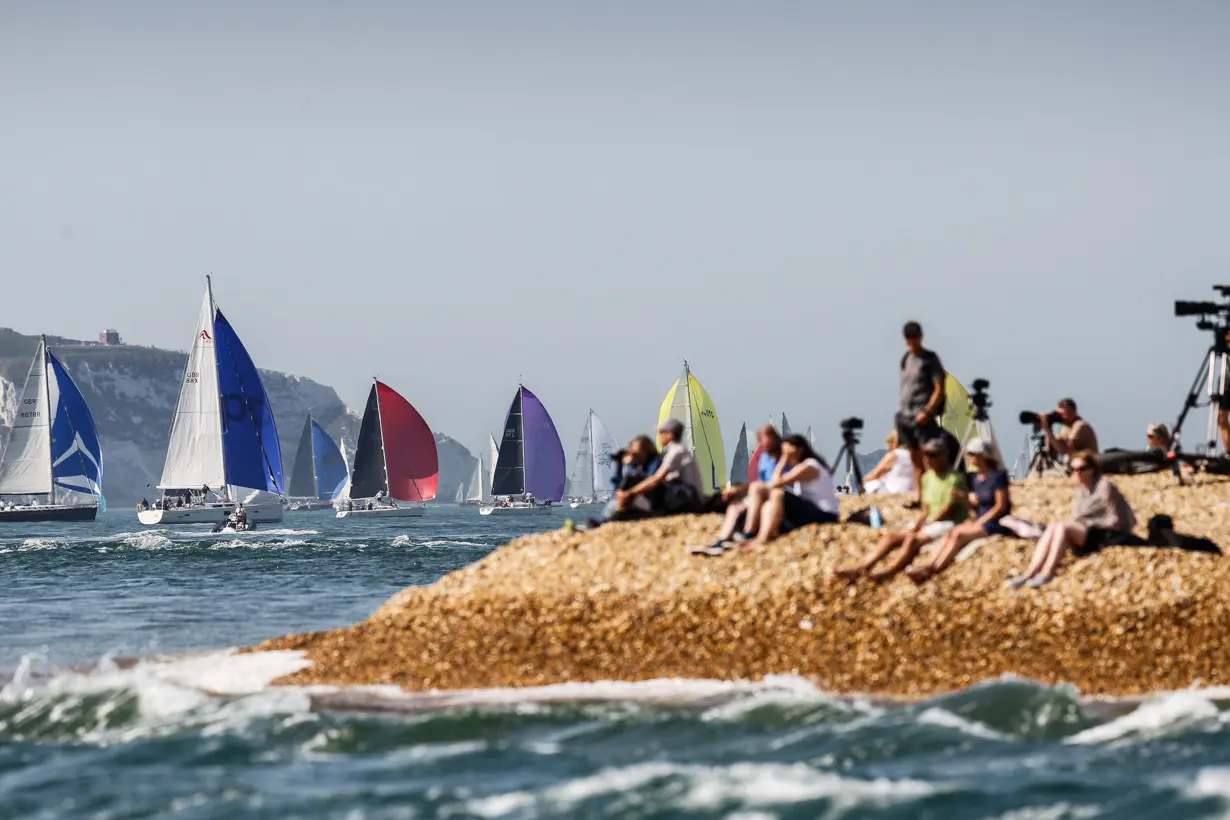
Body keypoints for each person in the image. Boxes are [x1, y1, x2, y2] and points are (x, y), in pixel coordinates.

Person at [837, 439, 967, 581]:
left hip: (948, 522)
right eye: (926, 455)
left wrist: (925, 525)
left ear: (944, 456)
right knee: (892, 536)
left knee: (912, 539)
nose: (928, 459)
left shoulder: (955, 479)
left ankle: (889, 571)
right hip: (930, 521)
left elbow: (948, 510)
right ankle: (863, 565)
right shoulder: (927, 478)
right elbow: (925, 509)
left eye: (933, 455)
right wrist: (917, 525)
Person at [1008, 451, 1136, 588]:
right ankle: (1030, 573)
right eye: (1073, 469)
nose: (1077, 473)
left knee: (1063, 527)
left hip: (1107, 534)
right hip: (1091, 532)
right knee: (1054, 525)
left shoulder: (1105, 487)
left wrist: (1090, 524)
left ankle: (1047, 574)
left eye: (1082, 469)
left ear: (1092, 469)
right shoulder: (1083, 490)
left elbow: (1118, 520)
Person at [694, 435, 837, 554]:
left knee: (776, 494)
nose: (783, 453)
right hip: (807, 512)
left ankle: (759, 538)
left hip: (824, 514)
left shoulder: (809, 466)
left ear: (798, 449)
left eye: (786, 450)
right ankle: (733, 537)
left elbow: (776, 482)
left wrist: (785, 458)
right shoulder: (803, 466)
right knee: (756, 499)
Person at [906, 438, 1011, 583]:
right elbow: (974, 507)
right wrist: (964, 500)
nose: (969, 458)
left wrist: (980, 521)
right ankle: (928, 565)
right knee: (950, 534)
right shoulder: (976, 478)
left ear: (980, 455)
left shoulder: (997, 476)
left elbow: (1001, 506)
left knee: (958, 535)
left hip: (994, 522)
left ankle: (933, 569)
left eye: (971, 454)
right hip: (980, 519)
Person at [896, 321, 946, 506]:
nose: (912, 341)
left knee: (929, 456)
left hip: (923, 414)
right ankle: (919, 496)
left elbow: (939, 388)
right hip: (906, 414)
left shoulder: (929, 359)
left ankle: (934, 494)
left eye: (915, 337)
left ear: (921, 336)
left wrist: (928, 410)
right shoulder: (905, 359)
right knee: (914, 457)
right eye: (909, 338)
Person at [616, 419, 704, 517]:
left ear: (670, 435)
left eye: (662, 432)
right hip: (685, 495)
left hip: (689, 498)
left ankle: (621, 512)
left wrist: (630, 493)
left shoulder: (677, 451)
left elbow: (657, 478)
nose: (659, 436)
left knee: (639, 482)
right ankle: (623, 511)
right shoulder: (671, 451)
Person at [863, 430, 916, 495]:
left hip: (894, 492)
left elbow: (874, 475)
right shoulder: (913, 454)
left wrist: (861, 480)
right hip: (911, 490)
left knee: (870, 484)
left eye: (888, 442)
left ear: (894, 442)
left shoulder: (894, 455)